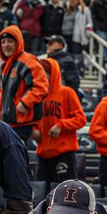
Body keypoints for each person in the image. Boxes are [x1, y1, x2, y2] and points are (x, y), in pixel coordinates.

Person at [34, 56, 87, 185]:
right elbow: (33, 120)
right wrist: (33, 130)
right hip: (43, 153)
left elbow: (81, 119)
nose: (41, 76)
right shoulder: (37, 96)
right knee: (40, 195)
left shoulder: (67, 92)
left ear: (53, 73)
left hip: (64, 153)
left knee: (64, 194)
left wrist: (61, 125)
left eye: (44, 73)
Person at [0, 24, 48, 144]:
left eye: (9, 41)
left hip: (21, 124)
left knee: (14, 160)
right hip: (6, 123)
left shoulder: (27, 61)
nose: (6, 45)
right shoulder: (4, 67)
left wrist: (25, 102)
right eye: (3, 42)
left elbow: (41, 86)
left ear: (18, 42)